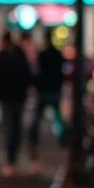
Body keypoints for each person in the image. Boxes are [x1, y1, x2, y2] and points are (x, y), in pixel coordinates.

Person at [0, 31, 32, 176]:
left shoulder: (3, 56)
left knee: (10, 127)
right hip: (17, 96)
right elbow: (27, 74)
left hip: (8, 97)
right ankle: (13, 157)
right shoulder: (19, 55)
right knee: (15, 127)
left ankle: (11, 159)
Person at [27, 29, 66, 172]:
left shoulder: (43, 54)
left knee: (39, 118)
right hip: (53, 89)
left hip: (44, 89)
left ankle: (33, 137)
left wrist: (37, 85)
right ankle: (62, 138)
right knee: (57, 116)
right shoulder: (57, 54)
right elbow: (61, 73)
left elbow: (37, 72)